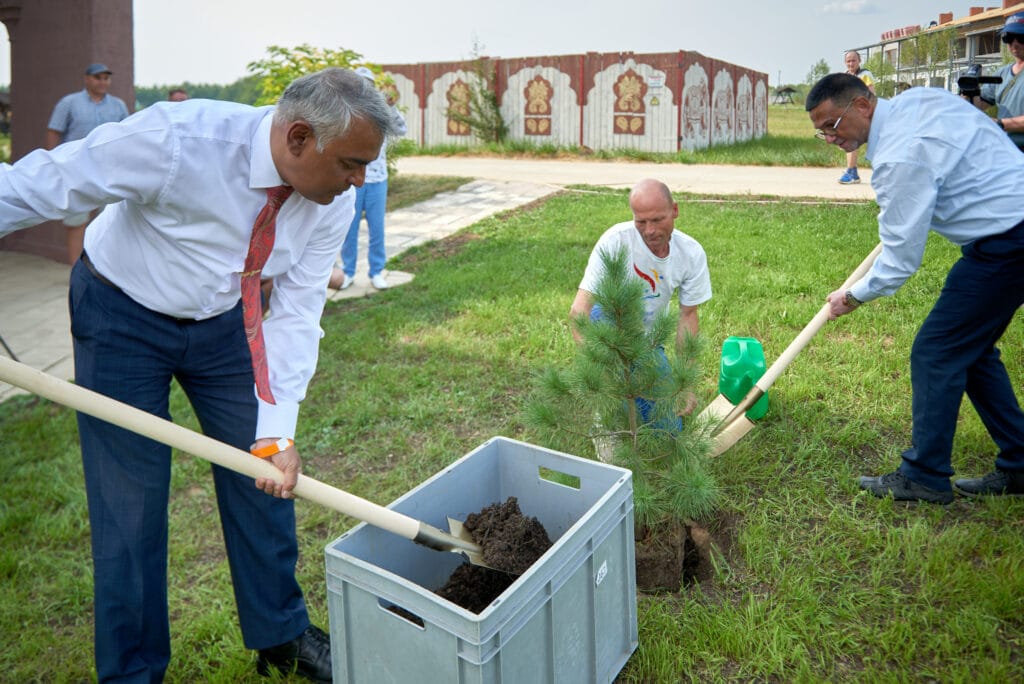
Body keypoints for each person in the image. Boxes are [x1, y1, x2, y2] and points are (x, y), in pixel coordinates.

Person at [1, 67, 403, 681]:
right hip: (121, 317)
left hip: (222, 322)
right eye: (351, 163)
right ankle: (134, 671)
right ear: (298, 138)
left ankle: (281, 634)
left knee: (265, 472)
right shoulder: (177, 140)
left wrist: (279, 428)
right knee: (129, 505)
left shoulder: (330, 203)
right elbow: (39, 186)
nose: (359, 181)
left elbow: (296, 315)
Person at [807, 72, 1024, 504]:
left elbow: (901, 261)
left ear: (863, 105)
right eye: (820, 131)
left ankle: (925, 475)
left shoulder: (897, 159)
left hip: (1007, 242)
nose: (829, 137)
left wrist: (852, 296)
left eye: (832, 125)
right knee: (972, 351)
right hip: (1008, 227)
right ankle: (1020, 464)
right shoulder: (917, 100)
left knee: (937, 350)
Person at [569, 178, 712, 426]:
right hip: (608, 331)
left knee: (669, 428)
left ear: (675, 211)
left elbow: (688, 316)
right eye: (641, 222)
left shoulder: (690, 253)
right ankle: (607, 417)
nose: (650, 231)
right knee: (622, 420)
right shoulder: (616, 241)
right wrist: (601, 368)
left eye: (657, 220)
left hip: (648, 339)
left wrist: (684, 383)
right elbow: (579, 312)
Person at [329, 66, 407, 291]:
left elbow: (401, 130)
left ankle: (376, 271)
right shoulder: (347, 112)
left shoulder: (382, 113)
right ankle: (348, 271)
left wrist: (391, 108)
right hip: (352, 180)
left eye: (367, 84)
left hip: (378, 179)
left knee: (377, 227)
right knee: (349, 227)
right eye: (359, 83)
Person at [45, 63, 131, 264]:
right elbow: (53, 131)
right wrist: (53, 163)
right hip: (76, 170)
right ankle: (76, 268)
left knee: (109, 221)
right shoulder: (69, 102)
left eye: (106, 78)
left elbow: (126, 135)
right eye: (97, 77)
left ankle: (103, 268)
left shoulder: (118, 105)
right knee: (76, 221)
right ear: (86, 79)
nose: (102, 82)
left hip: (109, 172)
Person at [969, 12, 1024, 152]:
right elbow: (980, 103)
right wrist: (968, 93)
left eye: (1021, 38)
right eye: (1009, 38)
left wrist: (1000, 124)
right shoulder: (1002, 73)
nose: (1015, 44)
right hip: (1006, 151)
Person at [836, 51, 874, 185]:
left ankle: (852, 172)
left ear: (859, 61)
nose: (851, 63)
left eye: (854, 60)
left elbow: (871, 94)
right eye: (848, 61)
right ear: (845, 62)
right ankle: (852, 172)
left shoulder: (865, 75)